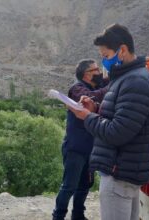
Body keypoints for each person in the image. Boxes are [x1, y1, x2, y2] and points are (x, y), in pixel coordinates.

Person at [69, 24, 149, 220]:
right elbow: (123, 116)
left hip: (119, 173)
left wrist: (87, 116)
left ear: (123, 50)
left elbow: (117, 132)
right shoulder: (129, 78)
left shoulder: (135, 82)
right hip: (124, 171)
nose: (104, 61)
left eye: (106, 55)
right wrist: (96, 109)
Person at [52, 59, 108, 220]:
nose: (99, 73)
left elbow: (108, 81)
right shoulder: (77, 89)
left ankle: (78, 215)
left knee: (85, 185)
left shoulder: (96, 86)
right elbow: (92, 97)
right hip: (75, 148)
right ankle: (58, 216)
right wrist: (110, 87)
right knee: (69, 186)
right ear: (87, 74)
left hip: (90, 148)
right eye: (96, 70)